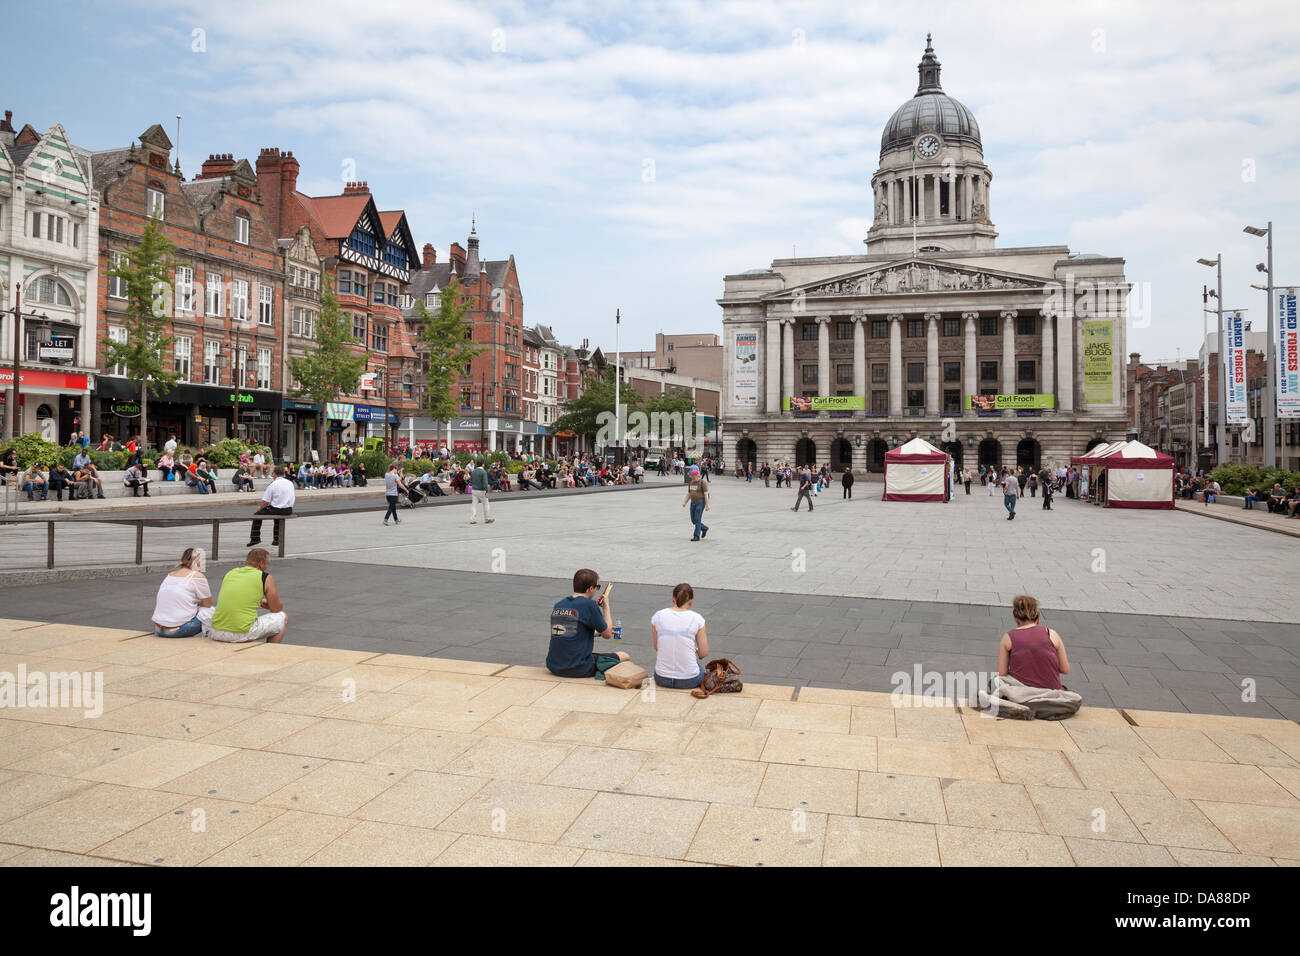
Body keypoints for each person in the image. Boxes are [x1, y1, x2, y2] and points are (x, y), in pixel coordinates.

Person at [546, 568, 630, 678]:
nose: (597, 590)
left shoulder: (559, 605)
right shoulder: (589, 605)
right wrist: (606, 607)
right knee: (624, 656)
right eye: (597, 587)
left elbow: (572, 631)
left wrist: (598, 633)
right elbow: (607, 634)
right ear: (590, 588)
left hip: (554, 665)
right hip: (579, 667)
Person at [207, 548, 287, 643]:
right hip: (240, 633)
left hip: (216, 632)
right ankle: (270, 652)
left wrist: (258, 601)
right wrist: (269, 604)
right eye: (266, 563)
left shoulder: (230, 573)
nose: (266, 566)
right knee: (282, 617)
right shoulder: (265, 577)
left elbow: (236, 595)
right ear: (261, 563)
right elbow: (276, 609)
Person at [996, 595, 1070, 691]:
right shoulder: (1052, 634)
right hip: (1051, 692)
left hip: (1021, 694)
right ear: (1038, 620)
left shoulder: (1008, 637)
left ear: (1017, 621)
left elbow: (1001, 673)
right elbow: (1065, 669)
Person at [651, 583, 709, 689]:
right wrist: (696, 651)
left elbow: (657, 647)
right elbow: (704, 653)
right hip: (689, 680)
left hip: (661, 678)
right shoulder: (697, 619)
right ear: (691, 601)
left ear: (673, 598)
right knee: (701, 670)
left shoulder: (657, 616)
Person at [151, 547, 214, 638]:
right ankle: (208, 637)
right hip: (177, 630)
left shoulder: (171, 574)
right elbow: (208, 604)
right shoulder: (197, 576)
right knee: (212, 611)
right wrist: (197, 601)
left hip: (158, 629)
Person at [249, 466, 295, 548]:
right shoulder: (290, 483)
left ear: (274, 474)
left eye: (273, 474)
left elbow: (266, 502)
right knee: (277, 517)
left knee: (257, 515)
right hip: (288, 509)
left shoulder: (273, 485)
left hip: (277, 509)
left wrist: (259, 509)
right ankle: (276, 539)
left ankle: (255, 538)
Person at [683, 465, 710, 541]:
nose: (692, 478)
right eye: (692, 476)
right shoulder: (691, 482)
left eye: (694, 477)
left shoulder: (702, 483)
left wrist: (707, 505)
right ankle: (704, 528)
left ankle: (696, 536)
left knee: (697, 519)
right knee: (693, 520)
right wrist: (685, 502)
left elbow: (705, 494)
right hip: (693, 502)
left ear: (697, 475)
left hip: (700, 502)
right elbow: (689, 493)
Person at [469, 458, 494, 525]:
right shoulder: (483, 472)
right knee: (486, 504)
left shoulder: (473, 471)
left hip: (474, 490)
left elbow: (471, 481)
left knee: (474, 505)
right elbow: (485, 483)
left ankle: (472, 519)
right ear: (483, 464)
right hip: (481, 491)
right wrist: (486, 491)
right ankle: (487, 519)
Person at [383, 461, 406, 526]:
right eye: (396, 469)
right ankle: (385, 519)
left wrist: (398, 473)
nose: (397, 470)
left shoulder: (386, 474)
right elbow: (400, 484)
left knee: (393, 508)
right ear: (394, 469)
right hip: (393, 494)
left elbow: (396, 477)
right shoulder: (395, 475)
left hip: (388, 494)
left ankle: (396, 520)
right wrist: (406, 489)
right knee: (391, 508)